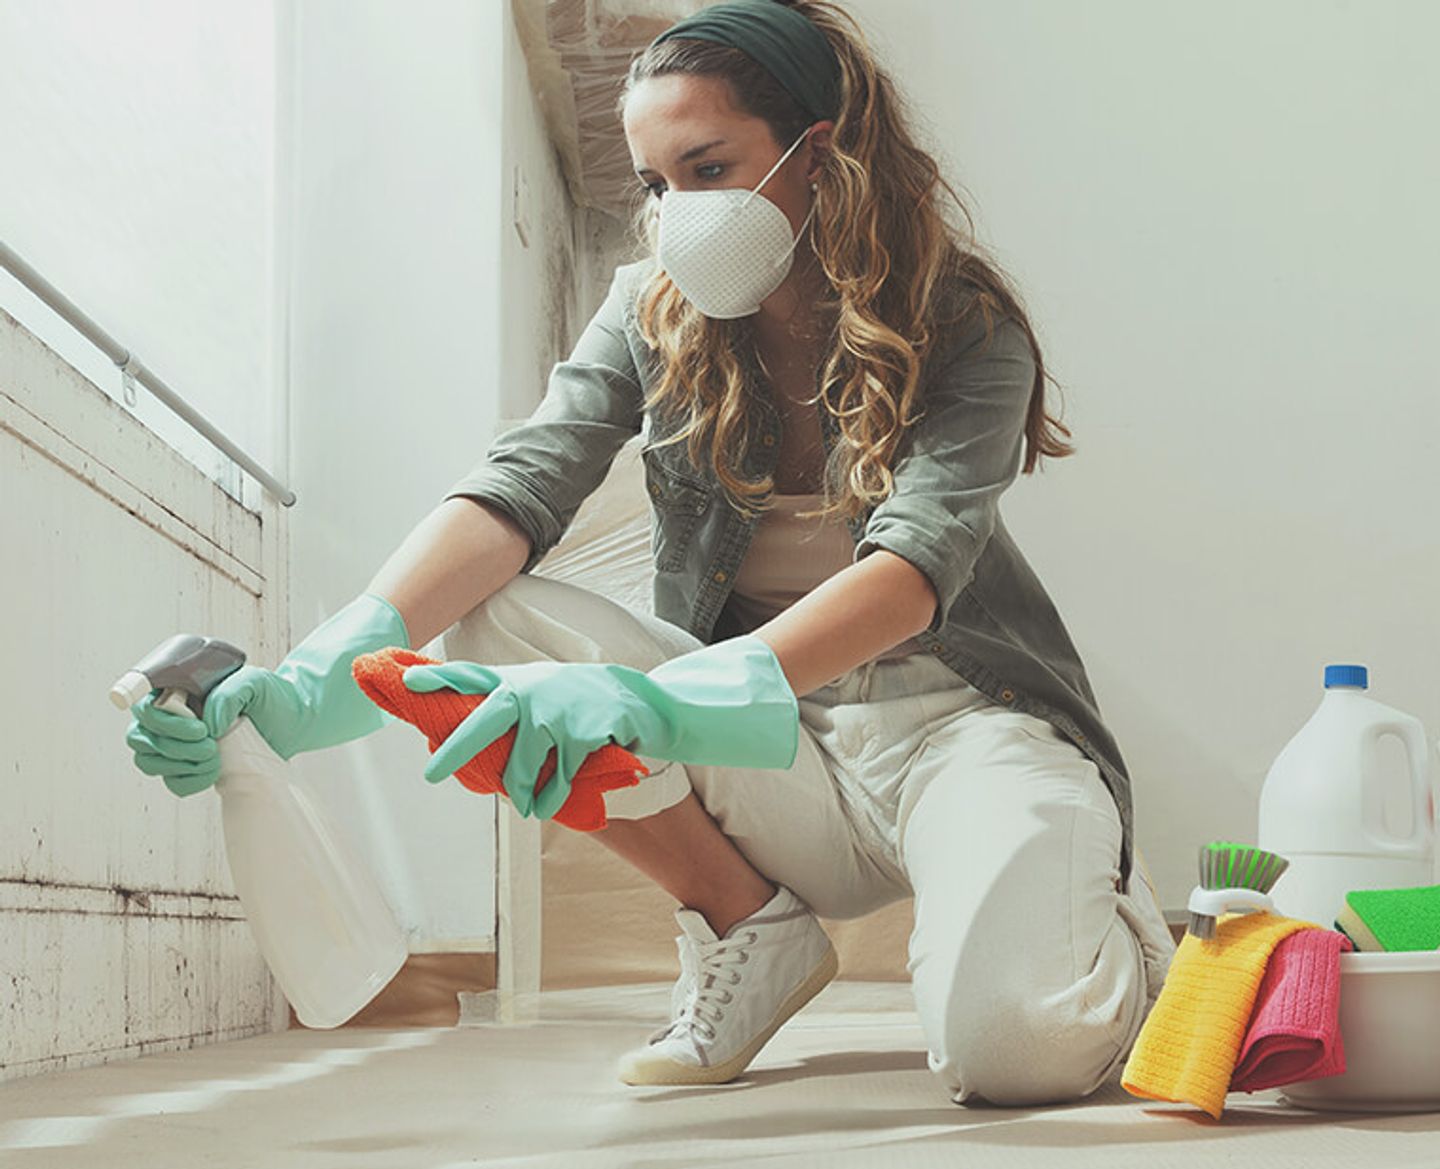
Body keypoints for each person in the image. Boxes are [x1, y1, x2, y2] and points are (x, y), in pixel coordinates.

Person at [126, 0, 1175, 1106]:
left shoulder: (963, 322)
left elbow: (915, 570)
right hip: (786, 746)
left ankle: (1126, 935)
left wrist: (661, 704)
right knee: (499, 616)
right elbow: (521, 485)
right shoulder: (649, 310)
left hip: (968, 726)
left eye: (710, 166)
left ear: (822, 155)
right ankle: (746, 925)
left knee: (1010, 1049)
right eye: (658, 183)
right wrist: (324, 669)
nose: (678, 212)